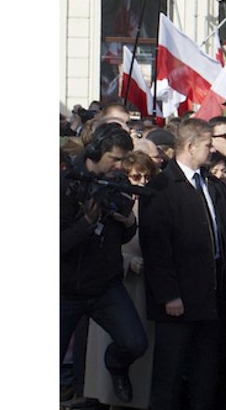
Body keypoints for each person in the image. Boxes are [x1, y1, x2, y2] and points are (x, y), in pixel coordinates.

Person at [139, 118, 226, 410]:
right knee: (170, 374)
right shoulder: (162, 188)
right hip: (179, 299)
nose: (213, 150)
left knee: (206, 372)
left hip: (212, 296)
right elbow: (156, 247)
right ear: (190, 146)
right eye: (208, 144)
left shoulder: (213, 186)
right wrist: (169, 294)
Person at [60, 124, 147, 405]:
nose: (120, 165)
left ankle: (116, 366)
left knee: (135, 342)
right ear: (96, 152)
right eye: (115, 158)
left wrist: (129, 222)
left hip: (104, 286)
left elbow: (123, 235)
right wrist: (85, 223)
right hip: (65, 289)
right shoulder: (64, 185)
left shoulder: (115, 182)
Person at [84, 151, 159, 409]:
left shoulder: (153, 202)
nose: (142, 181)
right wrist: (129, 261)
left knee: (141, 345)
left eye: (147, 176)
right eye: (137, 176)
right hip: (119, 283)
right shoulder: (113, 201)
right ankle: (108, 398)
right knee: (116, 341)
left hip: (146, 285)